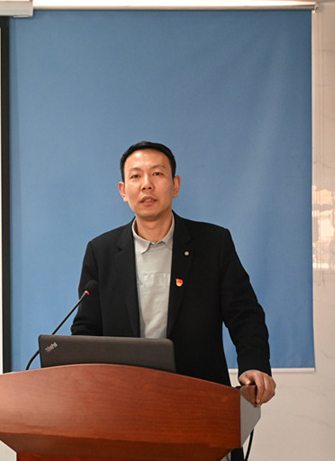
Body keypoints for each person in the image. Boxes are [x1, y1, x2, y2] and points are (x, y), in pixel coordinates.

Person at [70, 141, 275, 460]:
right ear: (123, 191)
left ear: (175, 185)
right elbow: (86, 328)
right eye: (135, 176)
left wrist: (255, 365)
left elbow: (244, 314)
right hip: (124, 411)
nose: (147, 184)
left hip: (200, 404)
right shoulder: (102, 251)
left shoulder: (213, 243)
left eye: (157, 174)